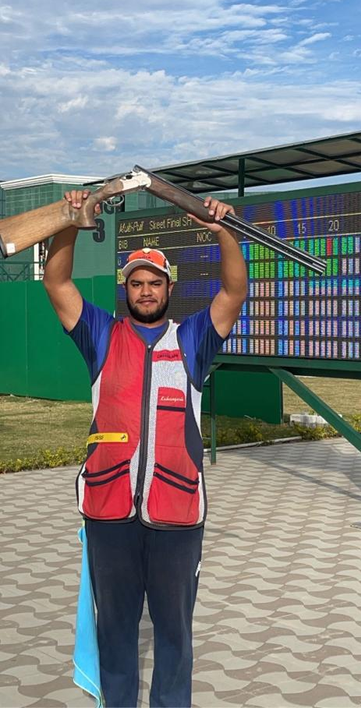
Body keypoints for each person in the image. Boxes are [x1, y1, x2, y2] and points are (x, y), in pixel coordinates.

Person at [43, 190, 247, 708]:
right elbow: (56, 282)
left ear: (168, 288)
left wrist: (221, 227)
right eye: (136, 283)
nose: (146, 291)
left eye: (154, 283)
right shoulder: (100, 335)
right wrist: (71, 219)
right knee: (114, 633)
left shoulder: (196, 338)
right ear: (126, 289)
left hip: (177, 516)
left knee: (174, 636)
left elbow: (234, 292)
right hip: (109, 513)